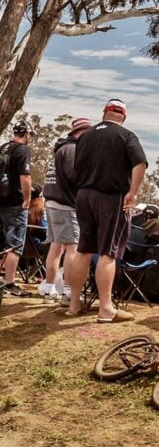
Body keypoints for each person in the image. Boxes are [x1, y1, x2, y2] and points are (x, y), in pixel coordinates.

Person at [66, 99, 148, 322]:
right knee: (107, 252)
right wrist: (132, 192)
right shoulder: (126, 135)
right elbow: (140, 163)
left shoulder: (85, 136)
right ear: (123, 116)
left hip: (84, 196)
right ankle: (105, 308)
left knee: (83, 249)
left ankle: (74, 305)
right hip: (110, 197)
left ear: (104, 113)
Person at [0, 121, 34, 297]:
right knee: (14, 245)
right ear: (26, 134)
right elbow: (25, 177)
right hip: (15, 203)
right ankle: (10, 284)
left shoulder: (3, 147)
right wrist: (27, 199)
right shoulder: (23, 150)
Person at [41, 117, 92, 303]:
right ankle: (70, 292)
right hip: (66, 205)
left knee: (57, 246)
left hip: (52, 202)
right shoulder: (72, 149)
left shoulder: (61, 149)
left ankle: (49, 289)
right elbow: (75, 177)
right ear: (82, 133)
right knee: (73, 247)